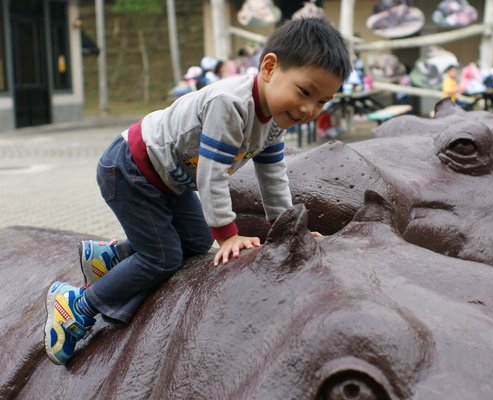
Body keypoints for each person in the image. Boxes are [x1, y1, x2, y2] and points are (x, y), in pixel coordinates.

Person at [43, 17, 352, 365]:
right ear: (269, 67)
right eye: (305, 92)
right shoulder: (231, 105)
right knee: (162, 258)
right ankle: (76, 306)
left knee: (192, 241)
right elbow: (212, 176)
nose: (309, 110)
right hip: (131, 168)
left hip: (167, 178)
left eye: (323, 102)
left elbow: (273, 176)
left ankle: (110, 258)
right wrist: (229, 236)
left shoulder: (274, 122)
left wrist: (290, 225)